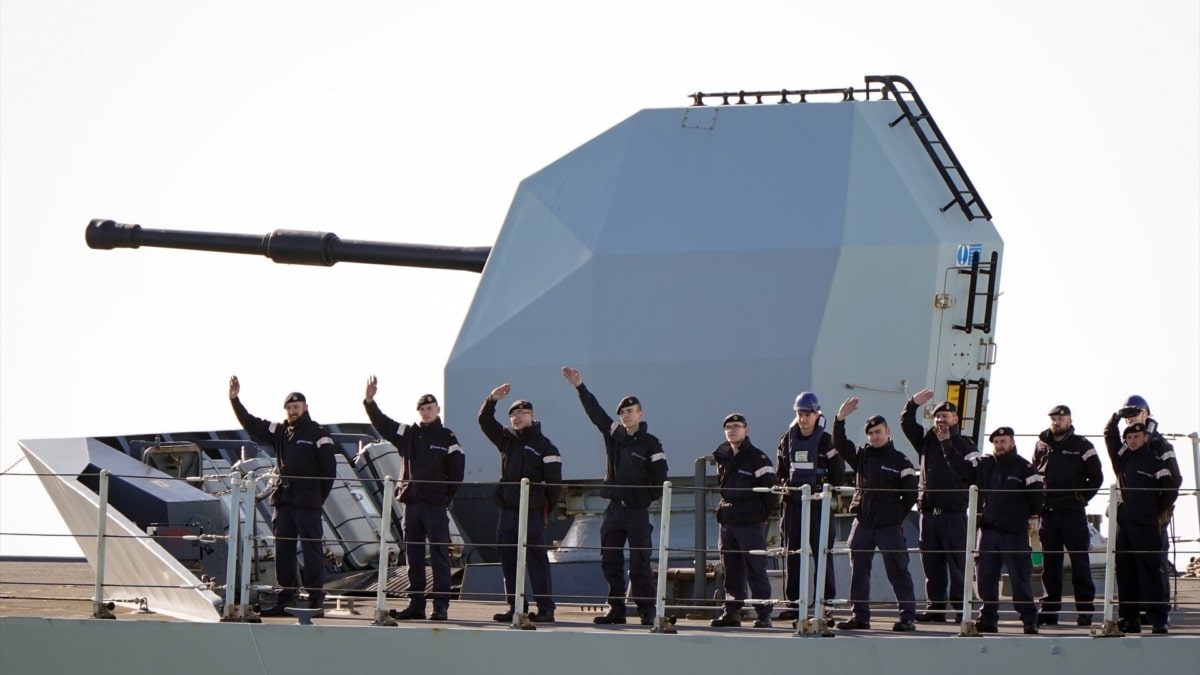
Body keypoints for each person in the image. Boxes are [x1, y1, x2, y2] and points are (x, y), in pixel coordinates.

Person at [561, 366, 668, 626]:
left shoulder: (651, 443)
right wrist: (580, 387)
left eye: (630, 411)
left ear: (640, 413)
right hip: (614, 511)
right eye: (622, 412)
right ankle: (616, 609)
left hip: (636, 512)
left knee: (640, 562)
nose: (626, 415)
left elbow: (660, 477)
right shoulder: (614, 436)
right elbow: (596, 413)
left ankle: (646, 611)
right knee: (610, 560)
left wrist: (644, 499)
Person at [228, 376, 336, 617]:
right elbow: (251, 424)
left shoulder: (319, 433)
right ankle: (285, 597)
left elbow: (329, 472)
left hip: (308, 502)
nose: (292, 411)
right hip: (285, 501)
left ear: (305, 407)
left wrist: (317, 498)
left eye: (296, 407)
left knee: (311, 549)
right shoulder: (279, 431)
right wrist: (235, 400)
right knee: (283, 550)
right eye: (289, 408)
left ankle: (315, 599)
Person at [363, 376, 464, 621]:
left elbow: (457, 473)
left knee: (439, 556)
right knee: (414, 556)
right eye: (422, 409)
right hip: (412, 506)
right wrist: (370, 402)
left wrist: (442, 497)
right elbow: (383, 424)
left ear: (438, 409)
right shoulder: (408, 434)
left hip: (435, 506)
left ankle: (440, 607)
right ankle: (416, 605)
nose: (426, 412)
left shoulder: (448, 438)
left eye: (430, 408)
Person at [831, 399, 919, 632]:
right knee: (859, 572)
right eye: (870, 433)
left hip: (889, 526)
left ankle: (907, 617)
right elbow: (839, 443)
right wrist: (840, 418)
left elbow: (911, 494)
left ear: (888, 431)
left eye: (878, 432)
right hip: (863, 524)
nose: (874, 437)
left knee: (898, 571)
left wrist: (896, 516)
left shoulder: (901, 461)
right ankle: (859, 616)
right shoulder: (862, 456)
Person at [478, 384, 561, 623]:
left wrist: (544, 508)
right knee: (508, 559)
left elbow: (554, 485)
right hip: (508, 510)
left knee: (536, 560)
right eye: (514, 414)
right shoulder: (506, 440)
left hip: (532, 511)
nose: (517, 417)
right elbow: (484, 421)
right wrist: (492, 399)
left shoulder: (546, 446)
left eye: (522, 413)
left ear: (532, 416)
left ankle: (545, 609)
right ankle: (516, 607)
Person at [900, 388, 980, 624]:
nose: (941, 420)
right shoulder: (927, 441)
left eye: (945, 416)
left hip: (953, 515)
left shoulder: (966, 445)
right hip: (928, 515)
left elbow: (973, 474)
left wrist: (947, 444)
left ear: (955, 419)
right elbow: (906, 423)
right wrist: (913, 403)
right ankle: (935, 608)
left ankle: (961, 610)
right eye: (937, 416)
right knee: (931, 565)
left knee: (957, 565)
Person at [1103, 418, 1178, 633]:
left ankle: (1158, 620)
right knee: (1126, 573)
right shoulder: (1122, 460)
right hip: (1125, 526)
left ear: (1145, 438)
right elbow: (1109, 436)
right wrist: (1116, 417)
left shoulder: (1156, 463)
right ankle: (1130, 619)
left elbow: (1170, 490)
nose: (1132, 441)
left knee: (1150, 572)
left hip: (1146, 526)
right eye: (1129, 437)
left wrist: (1154, 511)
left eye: (1136, 437)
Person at [776, 392, 845, 621]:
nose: (803, 419)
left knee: (822, 553)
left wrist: (824, 490)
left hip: (819, 505)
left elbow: (837, 473)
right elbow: (781, 471)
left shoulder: (826, 442)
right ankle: (795, 604)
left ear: (817, 414)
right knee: (793, 553)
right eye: (800, 414)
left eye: (808, 414)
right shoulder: (787, 440)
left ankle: (823, 604)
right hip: (793, 504)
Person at [1031, 404, 1102, 627]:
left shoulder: (1083, 445)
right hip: (1048, 513)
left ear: (1069, 420)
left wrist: (1082, 498)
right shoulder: (1041, 445)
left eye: (1061, 419)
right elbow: (1034, 474)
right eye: (1053, 418)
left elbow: (1096, 477)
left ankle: (1085, 611)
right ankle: (1049, 611)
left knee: (1080, 563)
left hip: (1072, 513)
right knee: (1050, 565)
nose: (1056, 422)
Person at [972, 427, 1044, 635]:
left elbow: (1037, 499)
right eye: (996, 442)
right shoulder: (985, 466)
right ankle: (987, 619)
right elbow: (963, 473)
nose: (999, 445)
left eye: (1003, 441)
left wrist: (1021, 517)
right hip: (988, 532)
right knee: (986, 578)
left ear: (1012, 442)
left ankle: (1029, 620)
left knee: (1020, 579)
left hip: (1014, 533)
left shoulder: (1025, 468)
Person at [1118, 394, 1182, 626]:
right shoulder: (1127, 446)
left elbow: (1174, 481)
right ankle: (1135, 614)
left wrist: (1157, 509)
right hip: (1129, 515)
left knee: (1155, 564)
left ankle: (1158, 613)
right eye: (1127, 416)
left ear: (1146, 414)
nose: (1130, 419)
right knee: (1128, 566)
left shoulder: (1160, 445)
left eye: (1134, 414)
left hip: (1153, 516)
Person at [709, 413, 776, 629]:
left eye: (736, 426)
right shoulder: (723, 457)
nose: (732, 430)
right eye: (728, 427)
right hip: (728, 520)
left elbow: (771, 492)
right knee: (730, 569)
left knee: (755, 568)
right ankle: (731, 612)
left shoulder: (758, 458)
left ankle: (764, 614)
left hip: (750, 521)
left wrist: (762, 517)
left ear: (746, 430)